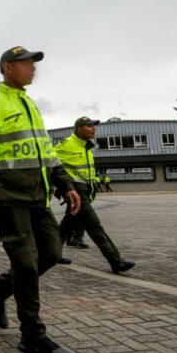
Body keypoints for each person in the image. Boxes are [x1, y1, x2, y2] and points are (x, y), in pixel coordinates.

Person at [0, 46, 81, 353]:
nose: (33, 68)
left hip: (37, 197)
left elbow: (45, 151)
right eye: (27, 63)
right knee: (26, 265)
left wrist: (65, 184)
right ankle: (33, 337)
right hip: (8, 198)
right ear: (7, 68)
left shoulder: (29, 104)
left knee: (52, 254)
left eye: (33, 64)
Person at [55, 117, 136, 273]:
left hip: (84, 190)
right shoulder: (65, 145)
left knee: (67, 224)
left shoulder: (86, 147)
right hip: (73, 191)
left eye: (94, 126)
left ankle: (52, 254)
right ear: (79, 129)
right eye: (89, 126)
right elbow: (50, 165)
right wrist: (64, 188)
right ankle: (115, 260)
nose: (94, 129)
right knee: (94, 225)